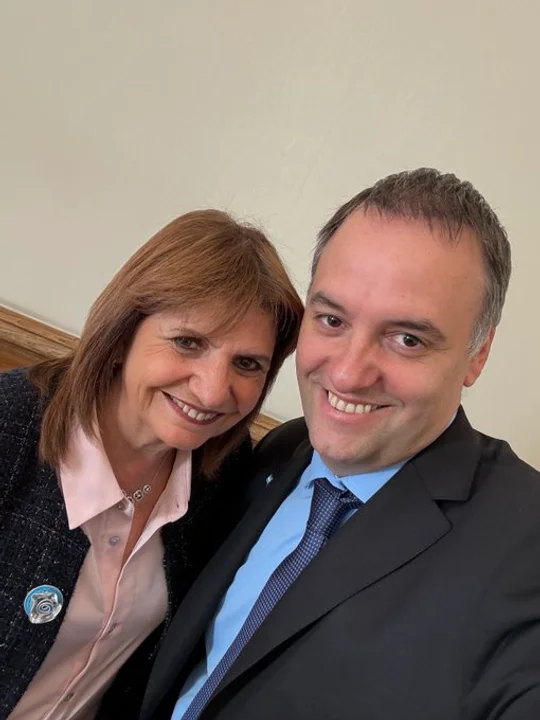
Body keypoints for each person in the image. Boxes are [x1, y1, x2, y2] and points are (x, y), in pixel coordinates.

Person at [140, 169, 540, 720]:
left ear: (478, 354)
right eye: (331, 319)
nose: (348, 374)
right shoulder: (280, 450)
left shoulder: (525, 548)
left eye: (407, 339)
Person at [0, 208, 303, 720]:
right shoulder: (9, 424)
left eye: (247, 363)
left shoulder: (224, 477)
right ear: (123, 333)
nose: (213, 390)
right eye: (188, 342)